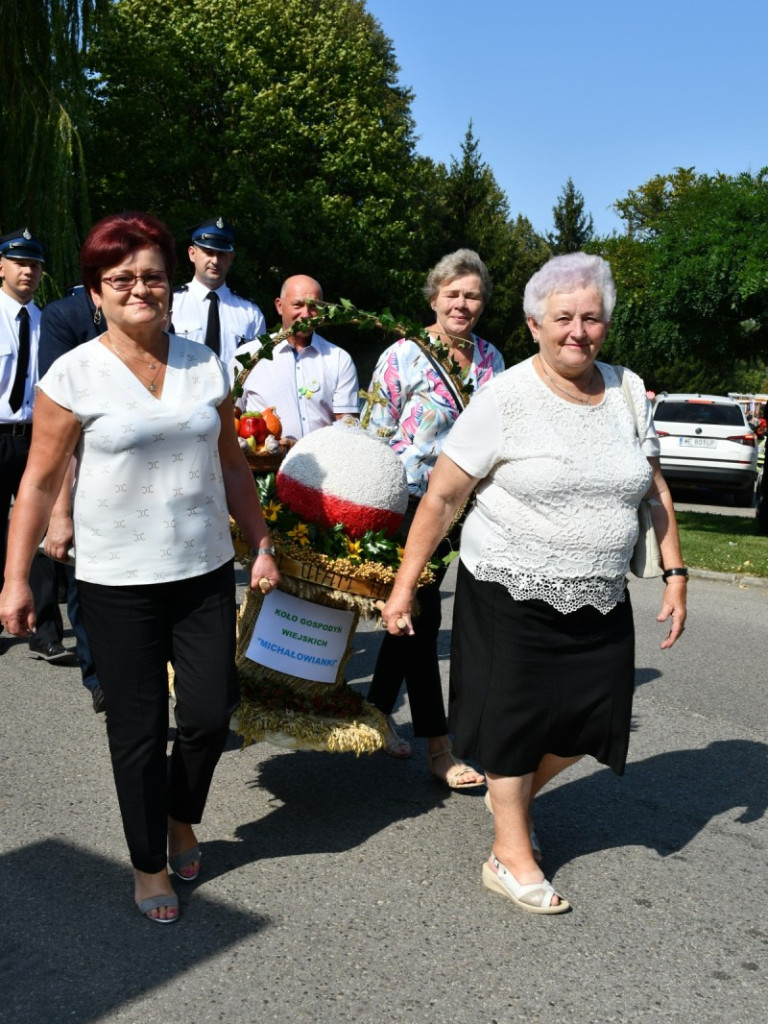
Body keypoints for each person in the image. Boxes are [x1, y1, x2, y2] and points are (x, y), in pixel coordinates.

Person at [379, 252, 687, 913]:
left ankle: (508, 795)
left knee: (593, 723)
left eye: (592, 317)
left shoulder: (630, 390)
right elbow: (440, 498)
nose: (578, 330)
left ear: (606, 324)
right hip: (509, 586)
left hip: (600, 589)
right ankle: (508, 853)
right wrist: (406, 584)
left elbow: (653, 486)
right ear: (534, 324)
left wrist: (676, 569)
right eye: (563, 317)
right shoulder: (506, 396)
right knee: (516, 726)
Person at [0, 212, 280, 924]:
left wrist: (261, 541)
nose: (140, 288)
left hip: (203, 570)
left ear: (169, 286)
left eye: (152, 276)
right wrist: (13, 577)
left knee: (212, 714)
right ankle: (148, 861)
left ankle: (181, 814)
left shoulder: (202, 363)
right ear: (96, 289)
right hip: (116, 580)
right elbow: (36, 482)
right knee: (137, 727)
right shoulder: (73, 373)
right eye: (121, 278)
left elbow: (232, 464)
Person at [362, 249, 504, 788]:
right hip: (407, 504)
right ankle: (439, 746)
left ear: (482, 303)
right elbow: (376, 432)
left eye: (471, 295)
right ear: (434, 296)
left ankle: (374, 715)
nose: (461, 304)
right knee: (420, 619)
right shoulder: (404, 355)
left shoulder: (492, 362)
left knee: (410, 619)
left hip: (463, 508)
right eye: (452, 293)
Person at [0, 227, 71, 663]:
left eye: (35, 264)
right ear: (1, 267)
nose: (28, 271)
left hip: (37, 438)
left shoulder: (50, 324)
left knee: (45, 536)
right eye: (20, 262)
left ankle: (45, 629)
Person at [38, 286, 107, 710]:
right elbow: (62, 426)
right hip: (83, 466)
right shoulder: (65, 320)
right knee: (86, 581)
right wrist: (60, 513)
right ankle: (98, 675)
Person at [235, 274, 359, 437]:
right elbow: (232, 417)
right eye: (297, 305)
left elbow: (348, 427)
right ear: (279, 306)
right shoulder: (250, 356)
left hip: (324, 460)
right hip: (269, 461)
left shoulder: (338, 359)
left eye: (313, 306)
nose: (306, 314)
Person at [170, 217, 266, 364]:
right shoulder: (172, 303)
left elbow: (260, 366)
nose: (215, 261)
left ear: (231, 257)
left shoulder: (249, 313)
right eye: (208, 252)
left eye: (221, 254)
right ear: (192, 254)